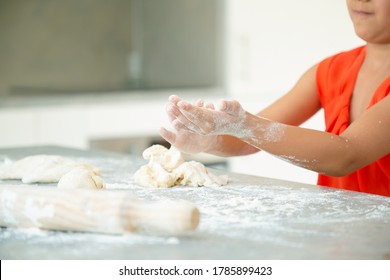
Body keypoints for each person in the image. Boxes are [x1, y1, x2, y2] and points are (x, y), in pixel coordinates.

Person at [159, 0, 390, 196]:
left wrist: (244, 124)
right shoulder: (331, 70)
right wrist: (210, 140)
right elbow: (250, 137)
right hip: (344, 243)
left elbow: (346, 156)